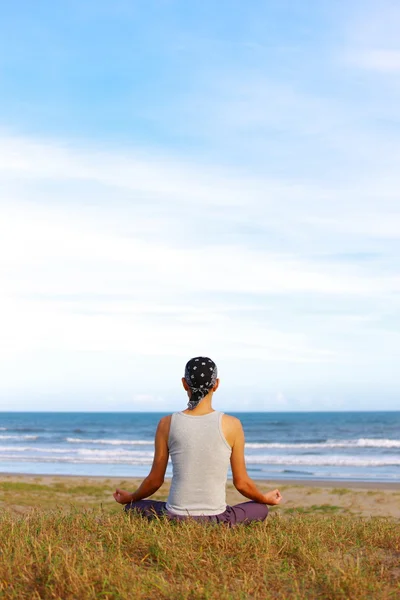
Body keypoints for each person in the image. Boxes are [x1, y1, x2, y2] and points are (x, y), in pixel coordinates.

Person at [113, 357, 282, 525]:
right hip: (217, 520)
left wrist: (131, 497)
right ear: (216, 384)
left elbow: (155, 481)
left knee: (133, 507)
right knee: (261, 509)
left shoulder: (166, 423)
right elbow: (242, 483)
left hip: (174, 518)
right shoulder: (232, 424)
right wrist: (263, 498)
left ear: (184, 384)